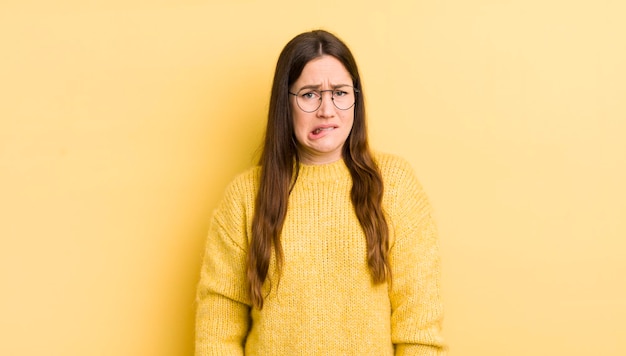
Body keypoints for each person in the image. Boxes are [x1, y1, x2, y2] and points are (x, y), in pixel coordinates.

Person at [195, 29, 447, 355]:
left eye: (340, 92)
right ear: (284, 103)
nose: (327, 110)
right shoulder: (245, 197)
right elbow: (218, 326)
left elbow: (419, 327)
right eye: (310, 94)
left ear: (356, 98)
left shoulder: (395, 186)